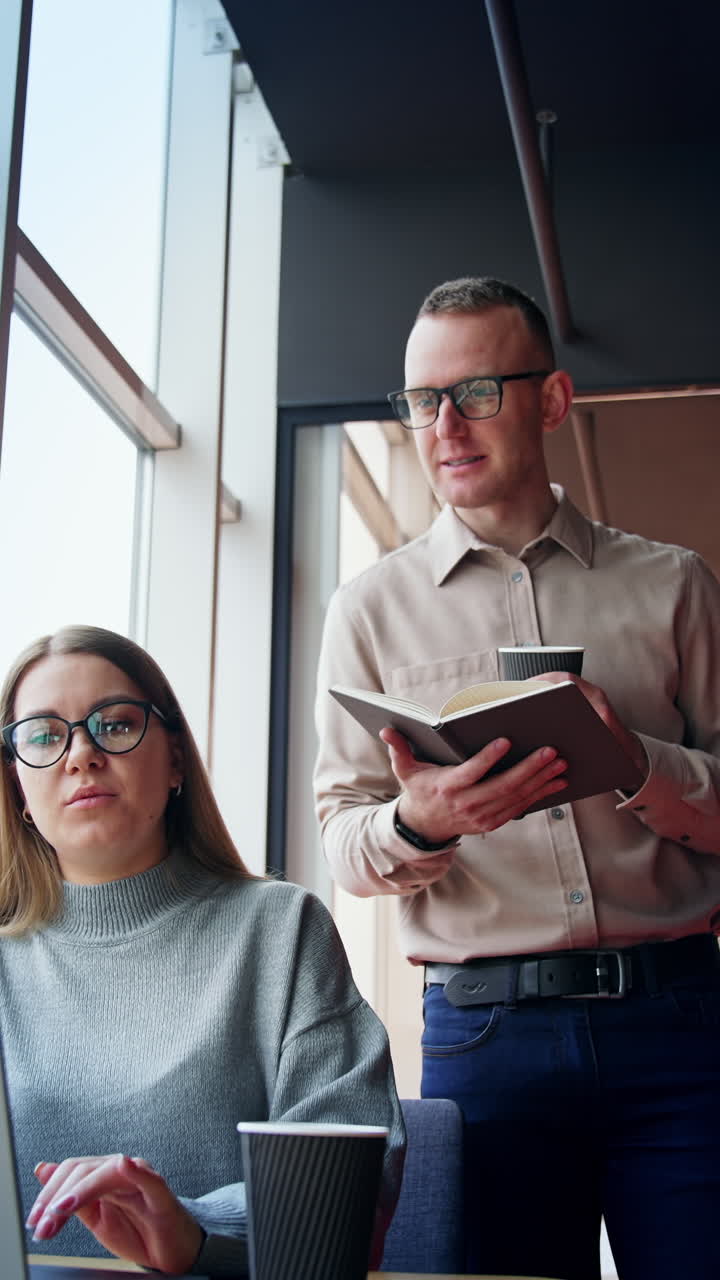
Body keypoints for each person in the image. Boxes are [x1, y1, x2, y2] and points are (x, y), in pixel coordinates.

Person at [313, 276, 720, 1280]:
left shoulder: (675, 583)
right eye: (421, 400)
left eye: (478, 391)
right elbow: (342, 841)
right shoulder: (366, 612)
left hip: (679, 1024)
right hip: (486, 1040)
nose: (443, 423)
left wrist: (633, 762)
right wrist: (415, 821)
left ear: (551, 399)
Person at [0, 625, 404, 1279]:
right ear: (17, 785)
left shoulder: (281, 930)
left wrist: (192, 1230)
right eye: (45, 736)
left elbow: (351, 1181)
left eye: (116, 723)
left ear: (177, 759)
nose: (80, 755)